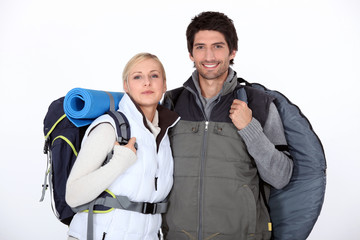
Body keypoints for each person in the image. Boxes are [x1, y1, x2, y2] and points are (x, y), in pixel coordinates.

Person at [161, 11, 293, 240]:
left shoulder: (259, 104)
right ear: (191, 53)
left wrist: (249, 128)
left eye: (218, 46)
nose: (209, 55)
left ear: (232, 51)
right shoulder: (171, 104)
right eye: (200, 47)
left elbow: (280, 177)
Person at [65, 52, 180, 240]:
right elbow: (73, 195)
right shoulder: (110, 127)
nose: (147, 82)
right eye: (137, 77)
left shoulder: (165, 132)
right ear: (126, 86)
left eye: (154, 75)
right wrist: (119, 162)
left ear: (164, 84)